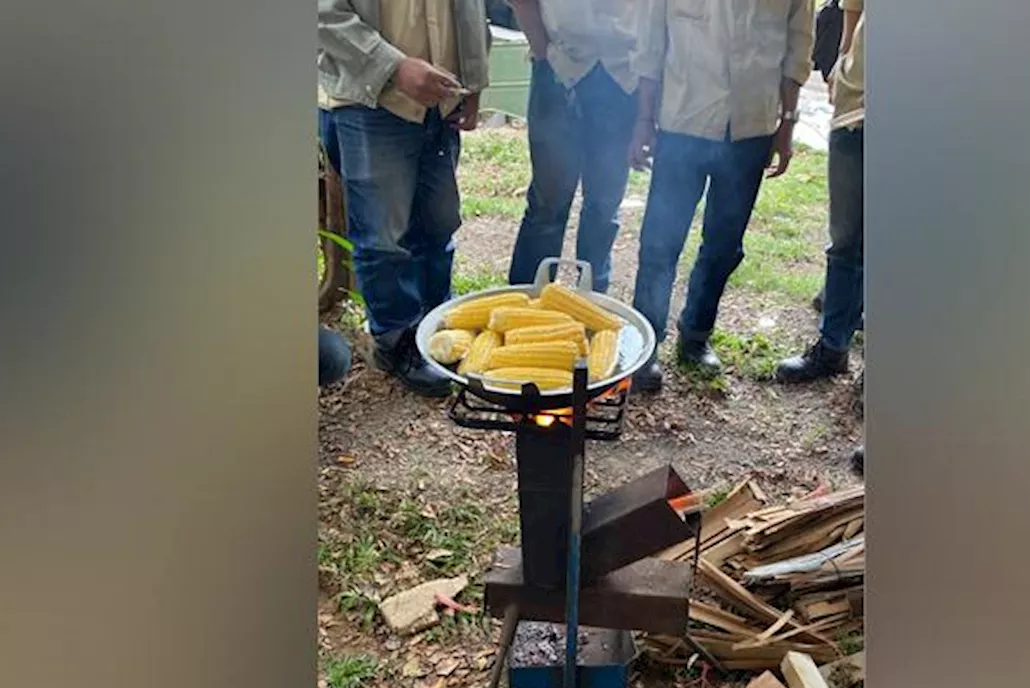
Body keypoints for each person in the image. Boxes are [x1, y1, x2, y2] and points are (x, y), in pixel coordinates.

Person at [627, 0, 816, 392]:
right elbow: (650, 42)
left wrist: (787, 123)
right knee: (661, 240)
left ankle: (696, 334)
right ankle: (646, 340)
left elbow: (798, 47)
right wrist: (643, 120)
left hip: (751, 124)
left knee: (724, 242)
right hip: (683, 118)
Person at [318, 1, 491, 397]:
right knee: (383, 234)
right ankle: (395, 340)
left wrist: (474, 82)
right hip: (370, 100)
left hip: (442, 98)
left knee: (439, 221)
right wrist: (393, 67)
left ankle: (436, 323)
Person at [505, 0, 640, 293]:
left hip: (623, 75)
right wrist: (543, 54)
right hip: (559, 64)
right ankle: (525, 301)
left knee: (604, 205)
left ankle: (592, 302)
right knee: (548, 204)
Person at [775, 0, 864, 385]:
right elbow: (854, 6)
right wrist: (844, 63)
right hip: (854, 109)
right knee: (844, 240)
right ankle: (832, 348)